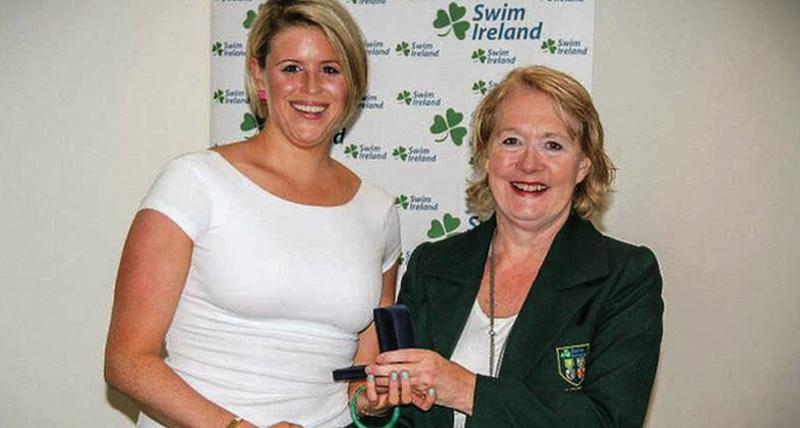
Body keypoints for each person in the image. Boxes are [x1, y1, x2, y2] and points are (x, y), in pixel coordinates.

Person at [104, 1, 402, 427]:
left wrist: (370, 403)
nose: (311, 87)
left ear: (352, 84)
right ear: (259, 75)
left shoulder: (378, 211)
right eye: (291, 68)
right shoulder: (194, 181)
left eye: (330, 69)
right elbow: (127, 361)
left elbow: (360, 376)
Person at [365, 65, 664, 427]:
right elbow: (406, 418)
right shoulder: (432, 264)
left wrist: (465, 389)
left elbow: (607, 421)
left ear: (583, 165)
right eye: (511, 141)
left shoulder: (624, 275)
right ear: (486, 155)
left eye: (553, 145)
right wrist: (375, 411)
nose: (529, 163)